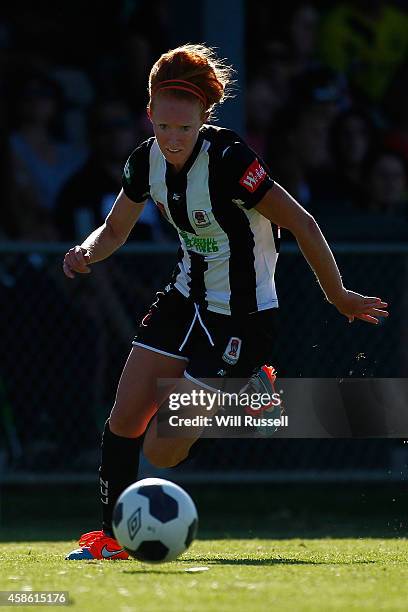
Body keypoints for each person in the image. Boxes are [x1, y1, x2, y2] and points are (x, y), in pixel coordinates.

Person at [63, 44, 388, 560]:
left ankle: (250, 394)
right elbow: (117, 228)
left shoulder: (232, 160)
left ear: (203, 119)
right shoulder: (142, 162)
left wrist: (338, 295)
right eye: (163, 126)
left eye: (184, 128)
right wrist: (88, 250)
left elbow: (301, 222)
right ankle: (112, 538)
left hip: (243, 315)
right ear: (149, 113)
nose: (172, 139)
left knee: (162, 448)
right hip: (183, 301)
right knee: (124, 419)